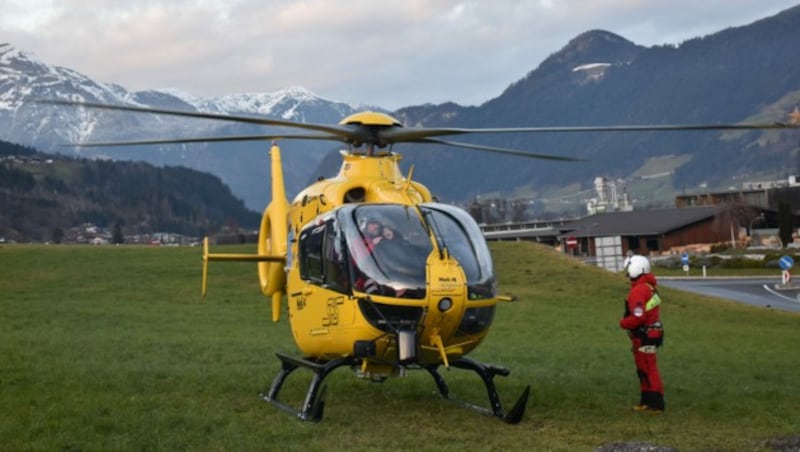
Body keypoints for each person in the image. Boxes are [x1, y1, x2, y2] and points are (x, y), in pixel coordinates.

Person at [620, 254, 665, 412]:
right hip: (652, 333)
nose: (627, 275)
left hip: (643, 335)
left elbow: (638, 316)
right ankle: (647, 401)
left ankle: (655, 403)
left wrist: (623, 323)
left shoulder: (638, 291)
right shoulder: (649, 287)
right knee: (646, 368)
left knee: (647, 368)